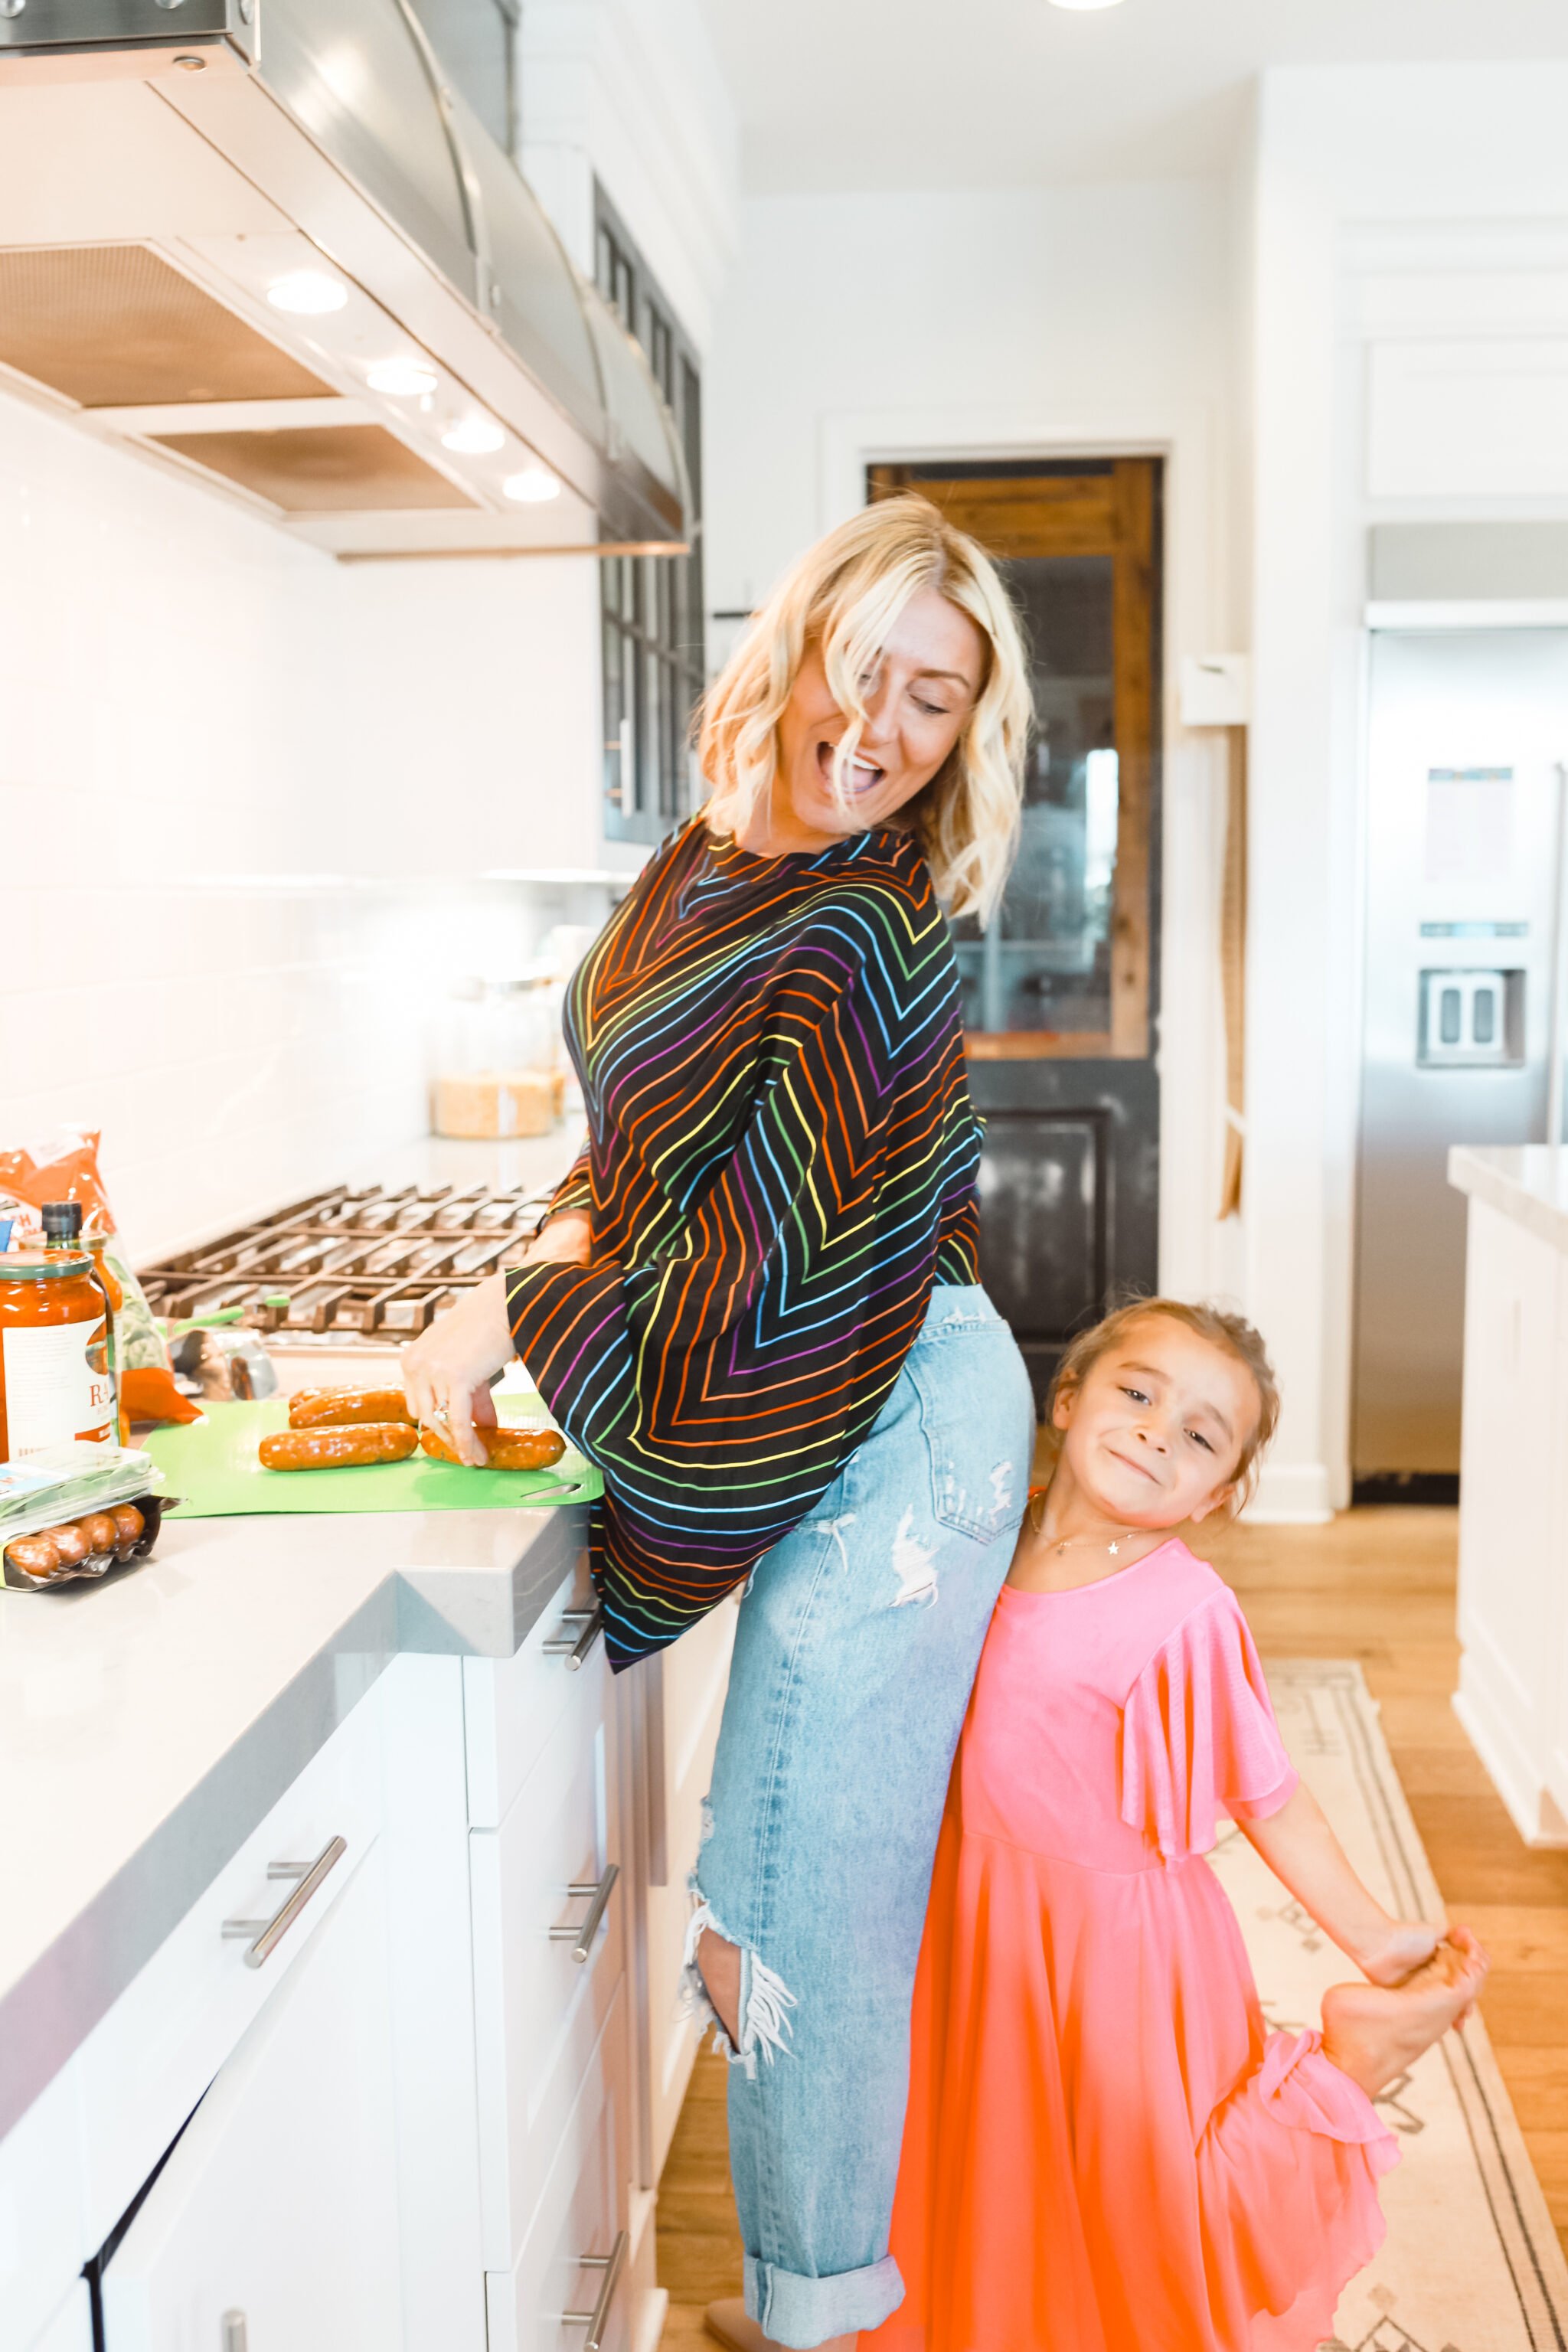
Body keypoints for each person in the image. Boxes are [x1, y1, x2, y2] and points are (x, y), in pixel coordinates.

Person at [400, 495, 1038, 2351]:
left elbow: (761, 1313)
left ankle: (819, 2320)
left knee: (791, 1925)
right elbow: (639, 1155)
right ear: (798, 646)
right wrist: (555, 1232)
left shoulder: (861, 926)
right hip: (849, 1385)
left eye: (940, 701)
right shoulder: (698, 856)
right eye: (871, 672)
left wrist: (517, 1302)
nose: (890, 729)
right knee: (764, 1895)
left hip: (900, 1417)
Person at [863, 1298, 1490, 2352]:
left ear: (1218, 1496)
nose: (1158, 1430)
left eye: (1199, 1435)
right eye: (1138, 1393)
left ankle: (1357, 2055)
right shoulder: (982, 1537)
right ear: (1066, 1399)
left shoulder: (1183, 1614)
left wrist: (1376, 1938)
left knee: (1150, 2194)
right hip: (976, 1922)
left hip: (1116, 1958)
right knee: (981, 2152)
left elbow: (1269, 1793)